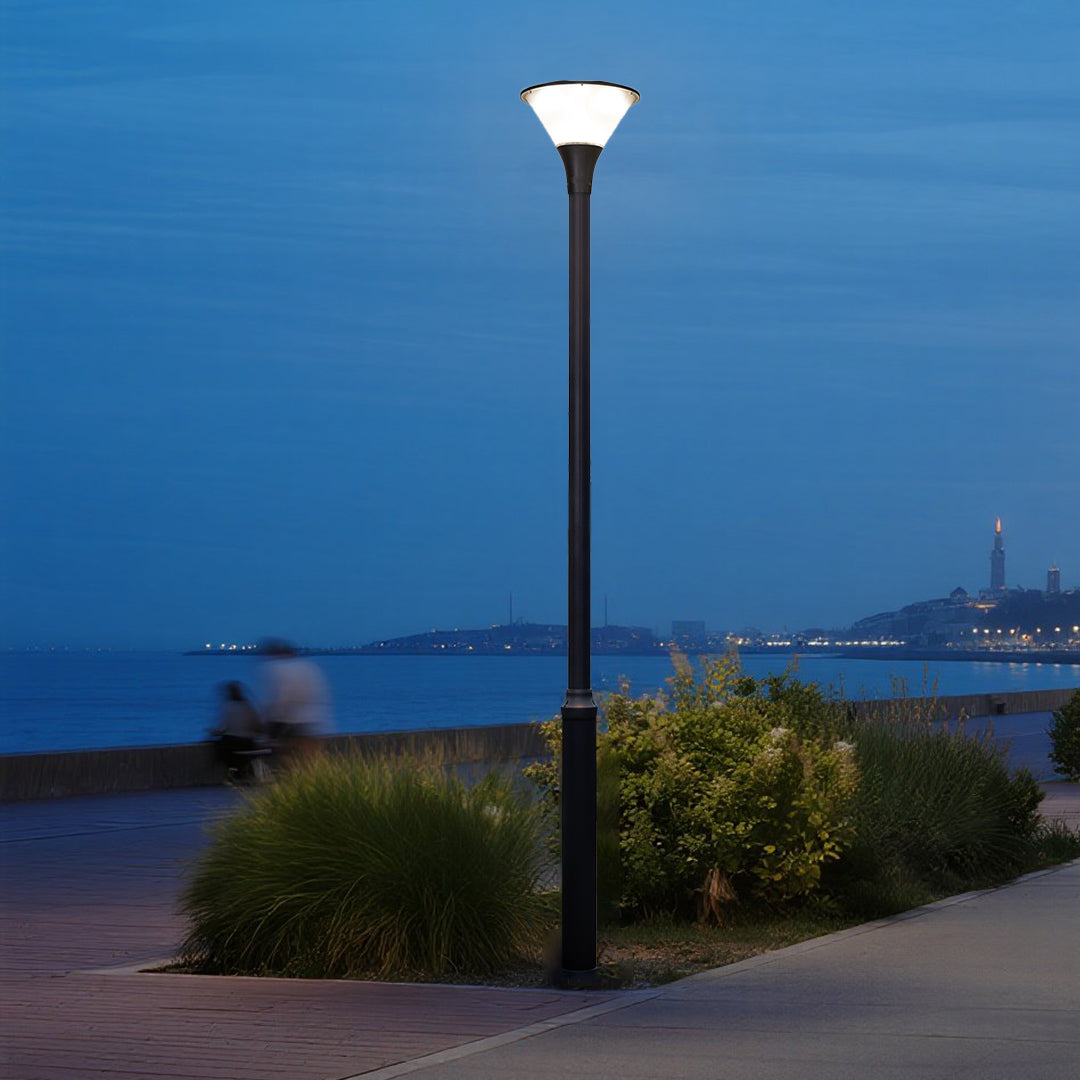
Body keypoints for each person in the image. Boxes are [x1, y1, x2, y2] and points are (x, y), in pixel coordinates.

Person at [260, 639, 332, 763]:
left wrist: (271, 727)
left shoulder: (278, 669)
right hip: (316, 723)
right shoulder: (309, 667)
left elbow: (281, 701)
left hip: (294, 723)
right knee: (310, 760)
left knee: (287, 757)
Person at [212, 681, 267, 783]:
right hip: (247, 743)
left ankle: (233, 771)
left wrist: (214, 732)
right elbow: (258, 725)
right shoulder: (248, 706)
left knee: (221, 746)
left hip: (232, 744)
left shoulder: (228, 707)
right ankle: (241, 771)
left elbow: (223, 727)